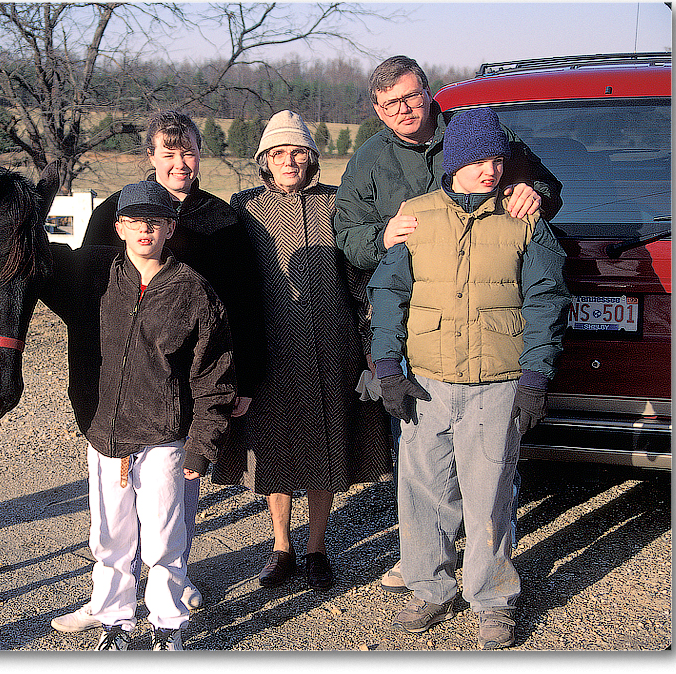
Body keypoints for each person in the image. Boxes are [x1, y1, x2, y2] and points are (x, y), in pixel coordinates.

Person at [333, 55, 564, 592]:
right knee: (423, 464)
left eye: (412, 97)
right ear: (377, 111)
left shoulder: (475, 134)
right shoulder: (370, 159)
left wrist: (535, 193)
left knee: (487, 468)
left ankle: (483, 561)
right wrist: (384, 239)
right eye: (391, 105)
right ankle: (428, 562)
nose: (405, 110)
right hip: (419, 332)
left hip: (487, 330)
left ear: (429, 93)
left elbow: (547, 189)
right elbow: (349, 235)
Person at [52, 110, 265, 632]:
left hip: (190, 382)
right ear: (150, 157)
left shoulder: (224, 220)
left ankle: (173, 589)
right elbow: (70, 285)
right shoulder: (111, 212)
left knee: (172, 503)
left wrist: (247, 379)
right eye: (167, 153)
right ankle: (112, 602)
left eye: (188, 151)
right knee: (113, 517)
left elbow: (246, 302)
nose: (179, 163)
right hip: (117, 385)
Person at [367, 107, 571, 649]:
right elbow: (388, 295)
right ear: (455, 161)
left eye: (497, 159)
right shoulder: (414, 217)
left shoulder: (525, 219)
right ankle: (431, 587)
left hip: (496, 383)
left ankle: (492, 599)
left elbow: (547, 301)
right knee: (423, 492)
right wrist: (387, 367)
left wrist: (535, 378)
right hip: (426, 383)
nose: (490, 170)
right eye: (479, 159)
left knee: (490, 495)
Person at [211, 110, 392, 591]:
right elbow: (232, 281)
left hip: (333, 348)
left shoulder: (337, 206)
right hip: (268, 351)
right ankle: (280, 548)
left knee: (324, 447)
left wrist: (372, 343)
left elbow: (360, 280)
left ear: (311, 158)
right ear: (265, 160)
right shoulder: (245, 207)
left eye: (297, 152)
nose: (288, 161)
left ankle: (316, 549)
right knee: (272, 449)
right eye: (278, 153)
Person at [79, 181, 236, 650]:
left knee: (164, 537)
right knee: (109, 538)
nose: (144, 230)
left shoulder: (193, 292)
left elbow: (215, 373)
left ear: (171, 227)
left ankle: (168, 623)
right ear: (119, 226)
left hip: (164, 435)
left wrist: (202, 445)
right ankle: (114, 620)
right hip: (107, 434)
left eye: (155, 221)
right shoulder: (98, 280)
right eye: (135, 221)